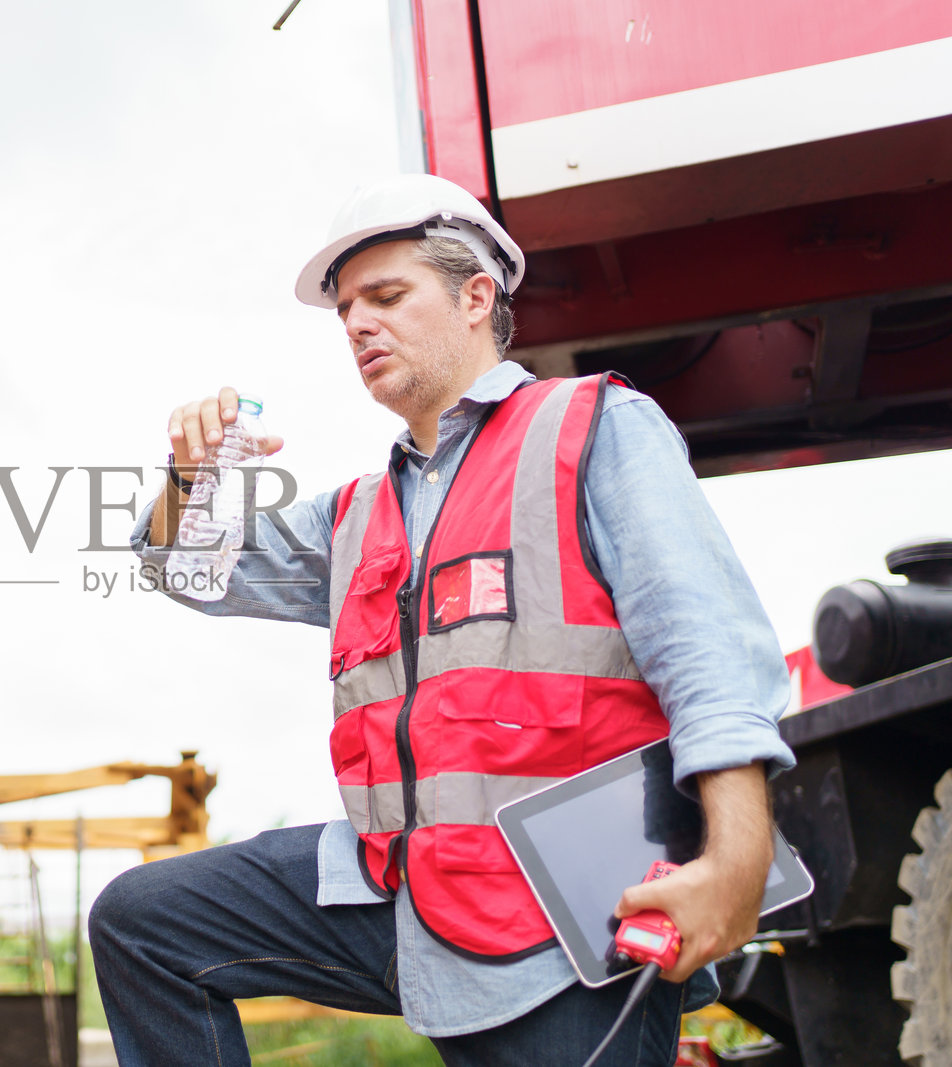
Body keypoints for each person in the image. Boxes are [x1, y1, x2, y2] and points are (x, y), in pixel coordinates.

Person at [89, 175, 796, 1066]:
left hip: (566, 916)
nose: (356, 324)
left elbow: (710, 659)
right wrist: (187, 479)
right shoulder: (354, 515)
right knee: (145, 923)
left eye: (386, 296)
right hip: (404, 883)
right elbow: (182, 571)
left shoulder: (595, 429)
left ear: (475, 297)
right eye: (345, 309)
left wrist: (735, 865)